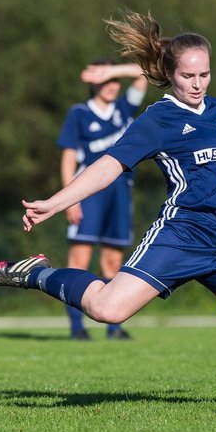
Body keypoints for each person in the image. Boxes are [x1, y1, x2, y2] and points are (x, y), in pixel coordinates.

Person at [0, 11, 216, 410]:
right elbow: (109, 166)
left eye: (205, 75)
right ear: (171, 74)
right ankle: (36, 273)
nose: (197, 84)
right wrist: (58, 202)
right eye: (188, 76)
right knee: (107, 310)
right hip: (180, 237)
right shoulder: (159, 119)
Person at [57, 58, 148, 340]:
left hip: (120, 194)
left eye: (114, 81)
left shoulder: (124, 110)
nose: (111, 85)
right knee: (79, 261)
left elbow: (145, 73)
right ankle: (76, 328)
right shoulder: (80, 114)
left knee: (112, 262)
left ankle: (114, 327)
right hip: (89, 195)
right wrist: (68, 198)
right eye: (105, 80)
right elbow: (69, 157)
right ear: (93, 82)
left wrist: (115, 70)